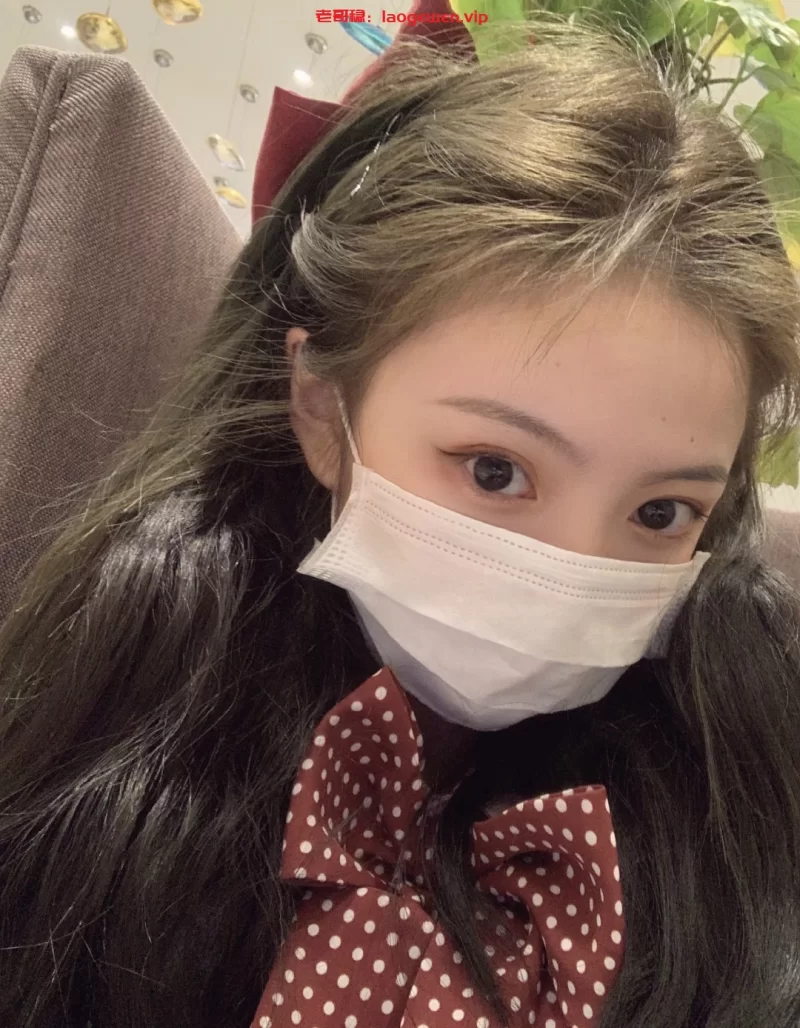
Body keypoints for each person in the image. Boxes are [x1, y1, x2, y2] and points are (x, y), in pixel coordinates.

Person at [1, 15, 800, 1028]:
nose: (567, 574)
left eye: (659, 510)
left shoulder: (729, 801)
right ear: (321, 409)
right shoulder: (127, 714)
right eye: (495, 469)